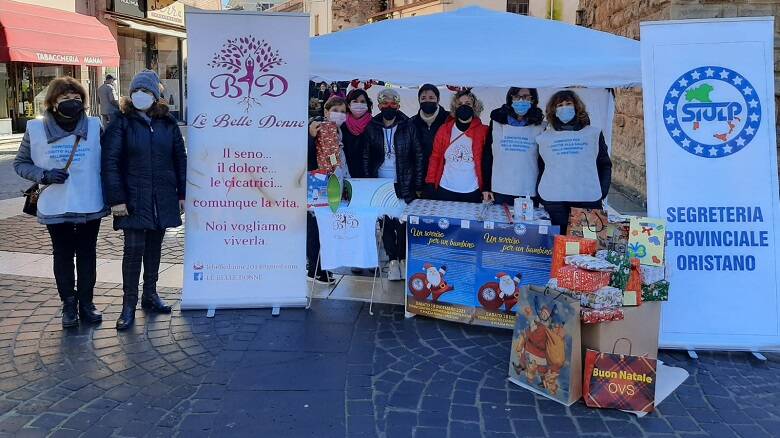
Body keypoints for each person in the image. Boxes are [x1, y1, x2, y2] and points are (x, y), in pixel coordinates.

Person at [14, 76, 108, 328]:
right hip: (56, 203)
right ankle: (68, 304)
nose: (72, 102)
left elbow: (108, 160)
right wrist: (42, 175)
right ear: (53, 102)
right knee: (63, 254)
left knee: (87, 254)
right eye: (65, 98)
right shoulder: (35, 129)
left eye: (76, 98)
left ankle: (87, 303)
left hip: (89, 201)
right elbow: (20, 163)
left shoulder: (94, 125)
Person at [102, 70, 187, 330]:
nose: (142, 96)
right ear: (130, 95)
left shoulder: (168, 123)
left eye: (148, 92)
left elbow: (179, 159)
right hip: (132, 199)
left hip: (161, 197)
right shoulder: (121, 122)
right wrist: (117, 199)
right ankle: (128, 305)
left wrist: (182, 194)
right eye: (138, 91)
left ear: (156, 95)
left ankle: (150, 295)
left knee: (153, 249)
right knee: (133, 251)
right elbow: (110, 163)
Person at [362, 88, 423, 281]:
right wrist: (367, 183)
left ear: (398, 104)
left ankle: (403, 259)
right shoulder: (371, 126)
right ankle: (392, 261)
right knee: (386, 223)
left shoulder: (408, 125)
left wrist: (418, 183)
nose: (389, 106)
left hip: (404, 181)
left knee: (402, 223)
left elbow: (419, 155)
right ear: (379, 105)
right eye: (385, 102)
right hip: (381, 183)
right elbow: (366, 156)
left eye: (393, 103)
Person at [536, 90, 612, 234]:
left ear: (577, 107)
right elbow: (541, 166)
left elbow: (604, 164)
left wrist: (602, 191)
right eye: (560, 105)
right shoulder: (545, 137)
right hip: (554, 201)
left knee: (588, 248)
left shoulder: (593, 133)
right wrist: (541, 193)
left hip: (587, 198)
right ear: (553, 110)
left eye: (568, 103)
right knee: (558, 246)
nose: (564, 107)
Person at [306, 96, 350, 284]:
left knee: (322, 226)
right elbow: (330, 157)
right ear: (326, 111)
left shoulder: (336, 129)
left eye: (342, 111)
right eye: (335, 110)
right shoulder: (321, 127)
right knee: (317, 227)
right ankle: (315, 269)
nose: (339, 114)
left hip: (327, 180)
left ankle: (319, 267)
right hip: (321, 181)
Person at [483, 87, 545, 206]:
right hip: (500, 189)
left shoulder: (540, 126)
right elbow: (488, 155)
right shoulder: (497, 122)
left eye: (526, 97)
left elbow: (543, 161)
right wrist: (486, 186)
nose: (521, 100)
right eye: (517, 96)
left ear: (533, 100)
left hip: (528, 189)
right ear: (510, 98)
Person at [425, 89, 489, 203]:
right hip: (446, 188)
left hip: (472, 190)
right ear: (455, 107)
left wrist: (487, 187)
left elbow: (488, 160)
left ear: (475, 107)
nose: (463, 107)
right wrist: (430, 182)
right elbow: (435, 157)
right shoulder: (444, 130)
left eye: (468, 104)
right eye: (460, 104)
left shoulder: (483, 131)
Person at [410, 84, 449, 197]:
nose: (427, 101)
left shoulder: (448, 120)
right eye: (423, 98)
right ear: (419, 100)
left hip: (444, 177)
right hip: (419, 177)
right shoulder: (412, 123)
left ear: (438, 100)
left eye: (431, 98)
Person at [342, 89, 374, 178]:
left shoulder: (374, 125)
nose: (359, 104)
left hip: (369, 175)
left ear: (367, 104)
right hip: (346, 174)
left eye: (362, 101)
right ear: (348, 105)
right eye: (355, 101)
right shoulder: (342, 125)